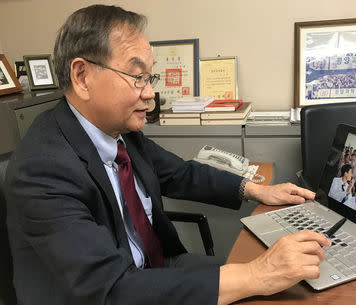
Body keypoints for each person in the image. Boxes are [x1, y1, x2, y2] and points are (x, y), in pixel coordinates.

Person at [4, 5, 330, 305]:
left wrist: (258, 190)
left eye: (150, 77)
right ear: (82, 76)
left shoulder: (121, 133)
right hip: (114, 292)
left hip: (159, 266)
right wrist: (257, 274)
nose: (149, 93)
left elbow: (179, 173)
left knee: (297, 286)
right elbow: (111, 288)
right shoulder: (42, 170)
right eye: (136, 77)